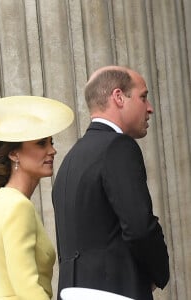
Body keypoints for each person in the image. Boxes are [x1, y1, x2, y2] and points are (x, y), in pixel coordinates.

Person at [52, 66, 170, 300]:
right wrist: (158, 272)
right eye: (143, 97)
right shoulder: (118, 147)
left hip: (71, 292)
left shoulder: (70, 160)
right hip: (115, 290)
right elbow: (139, 227)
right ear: (118, 97)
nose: (150, 108)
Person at [0, 96, 74, 300]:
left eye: (51, 142)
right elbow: (27, 287)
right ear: (13, 154)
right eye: (41, 143)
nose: (52, 150)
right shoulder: (18, 207)